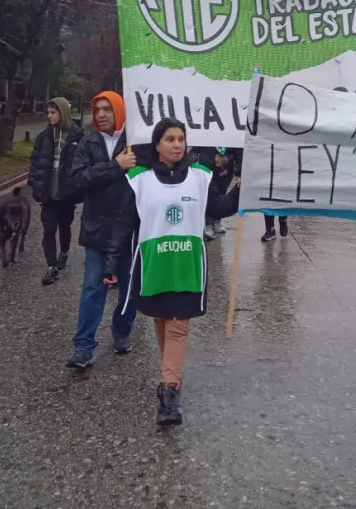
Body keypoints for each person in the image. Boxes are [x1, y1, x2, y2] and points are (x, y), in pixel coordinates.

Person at [108, 117, 241, 426]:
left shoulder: (200, 177)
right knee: (162, 321)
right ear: (157, 145)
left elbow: (218, 209)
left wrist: (238, 191)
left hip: (187, 265)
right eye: (170, 139)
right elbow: (124, 223)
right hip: (154, 264)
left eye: (181, 138)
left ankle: (169, 391)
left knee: (178, 325)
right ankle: (171, 374)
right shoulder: (139, 178)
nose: (177, 144)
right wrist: (112, 262)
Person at [66, 91, 144, 368]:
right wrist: (115, 166)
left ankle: (122, 331)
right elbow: (75, 182)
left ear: (119, 111)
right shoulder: (88, 141)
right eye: (97, 109)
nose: (100, 114)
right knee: (92, 288)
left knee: (130, 288)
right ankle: (83, 345)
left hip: (131, 230)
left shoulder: (136, 141)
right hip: (96, 229)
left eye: (107, 109)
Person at [28, 97, 84, 286]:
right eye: (48, 112)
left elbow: (82, 164)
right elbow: (36, 162)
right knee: (48, 228)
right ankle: (51, 266)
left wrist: (77, 187)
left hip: (66, 193)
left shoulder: (78, 136)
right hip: (48, 194)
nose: (49, 116)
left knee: (65, 226)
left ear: (62, 113)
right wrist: (35, 184)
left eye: (53, 112)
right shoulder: (44, 137)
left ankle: (65, 252)